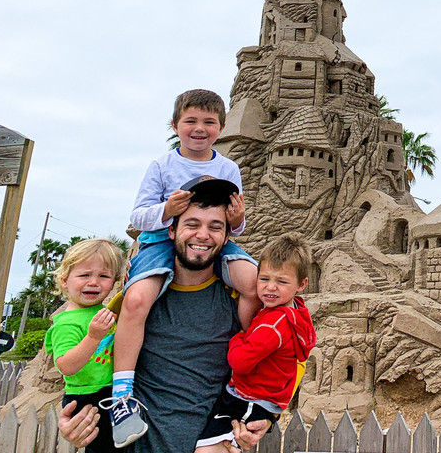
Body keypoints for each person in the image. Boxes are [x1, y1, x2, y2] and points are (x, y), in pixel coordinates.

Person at [59, 179, 271, 453]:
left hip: (206, 442)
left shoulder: (239, 298)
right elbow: (84, 360)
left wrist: (267, 416)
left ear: (227, 238)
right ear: (171, 230)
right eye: (192, 224)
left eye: (215, 227)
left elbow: (283, 352)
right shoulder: (136, 299)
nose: (203, 235)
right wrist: (76, 422)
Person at [110, 89, 261, 446]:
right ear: (175, 125)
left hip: (216, 242)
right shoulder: (162, 166)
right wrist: (168, 210)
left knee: (254, 283)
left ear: (221, 127)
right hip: (161, 239)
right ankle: (122, 394)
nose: (199, 128)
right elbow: (137, 215)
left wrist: (237, 221)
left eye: (209, 122)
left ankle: (245, 361)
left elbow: (230, 223)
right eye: (190, 121)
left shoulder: (228, 168)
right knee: (136, 300)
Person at [195, 233, 316, 452]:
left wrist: (239, 336)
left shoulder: (273, 325)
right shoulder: (297, 311)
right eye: (264, 279)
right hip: (263, 400)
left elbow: (240, 362)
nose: (270, 287)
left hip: (248, 399)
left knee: (209, 449)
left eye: (281, 281)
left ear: (302, 284)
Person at [43, 239, 126, 453]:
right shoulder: (66, 322)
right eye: (84, 275)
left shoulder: (106, 311)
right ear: (64, 280)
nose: (94, 282)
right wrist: (93, 337)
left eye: (104, 276)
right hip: (86, 397)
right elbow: (66, 367)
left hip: (111, 390)